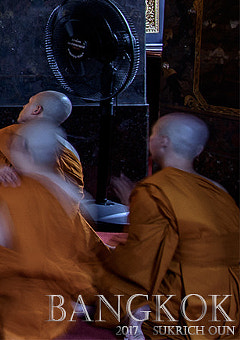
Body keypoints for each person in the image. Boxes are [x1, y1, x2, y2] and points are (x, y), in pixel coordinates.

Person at [0, 121, 98, 339]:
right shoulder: (73, 194)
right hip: (60, 298)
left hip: (16, 303)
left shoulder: (11, 195)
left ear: (24, 149)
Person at [90, 113, 240, 336]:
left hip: (188, 302)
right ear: (198, 150)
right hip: (229, 301)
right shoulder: (219, 190)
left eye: (152, 134)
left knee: (94, 266)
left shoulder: (155, 191)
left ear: (163, 141)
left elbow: (138, 262)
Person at [0, 89, 84, 191]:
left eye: (29, 102)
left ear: (37, 109)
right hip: (61, 205)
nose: (24, 106)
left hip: (20, 204)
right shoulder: (70, 150)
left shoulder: (12, 134)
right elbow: (75, 192)